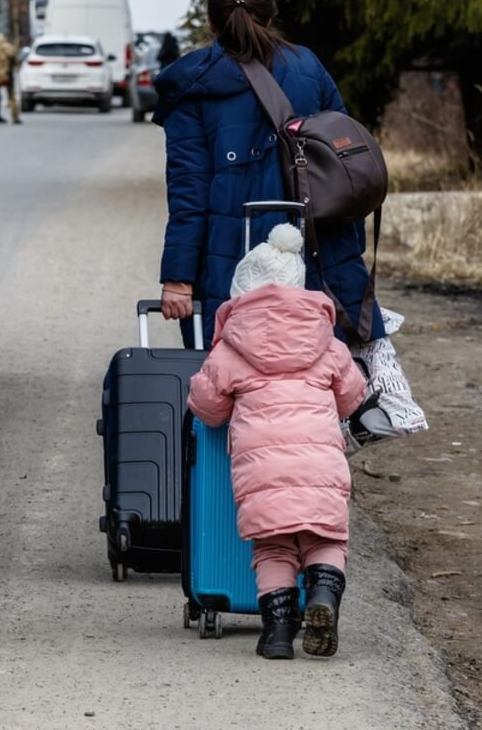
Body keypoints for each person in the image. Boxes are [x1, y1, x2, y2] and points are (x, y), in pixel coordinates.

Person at [152, 0, 386, 350]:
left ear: (212, 23)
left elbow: (188, 192)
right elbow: (347, 168)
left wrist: (178, 278)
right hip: (315, 249)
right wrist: (348, 251)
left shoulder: (191, 87)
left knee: (236, 373)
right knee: (320, 371)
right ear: (271, 18)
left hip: (228, 263)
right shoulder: (308, 67)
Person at [187, 223, 367, 660]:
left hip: (262, 473)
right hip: (320, 466)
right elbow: (352, 395)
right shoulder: (327, 342)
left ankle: (278, 634)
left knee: (274, 546)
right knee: (325, 538)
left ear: (241, 294)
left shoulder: (230, 349)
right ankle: (323, 595)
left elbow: (207, 406)